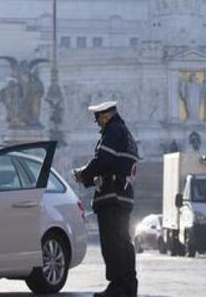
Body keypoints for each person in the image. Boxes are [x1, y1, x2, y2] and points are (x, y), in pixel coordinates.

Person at [74, 101, 139, 297]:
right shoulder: (126, 134)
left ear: (106, 116)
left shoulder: (113, 132)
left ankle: (117, 287)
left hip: (112, 196)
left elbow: (103, 160)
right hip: (124, 196)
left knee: (112, 244)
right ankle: (128, 285)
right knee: (124, 242)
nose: (98, 125)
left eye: (98, 120)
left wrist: (83, 174)